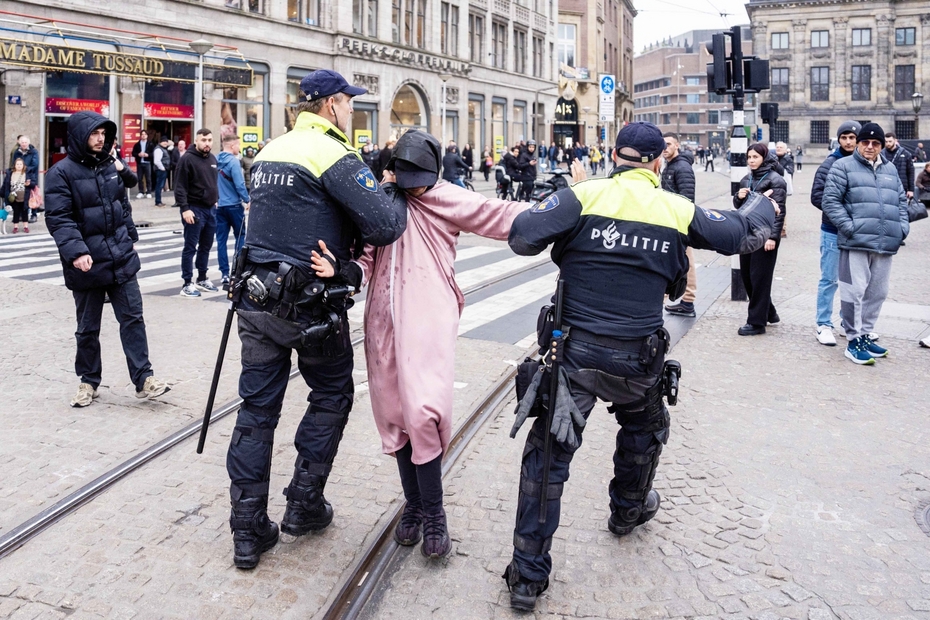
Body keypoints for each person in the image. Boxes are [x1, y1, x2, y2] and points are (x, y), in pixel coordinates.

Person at [501, 122, 778, 611]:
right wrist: (763, 201)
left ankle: (527, 577)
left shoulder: (583, 196)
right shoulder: (674, 208)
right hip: (637, 358)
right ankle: (627, 511)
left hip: (574, 357)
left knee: (548, 459)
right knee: (644, 432)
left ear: (614, 156)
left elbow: (522, 236)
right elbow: (740, 234)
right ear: (657, 164)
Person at [223, 69, 407, 570]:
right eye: (349, 102)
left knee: (256, 410)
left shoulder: (269, 152)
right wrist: (389, 187)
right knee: (331, 394)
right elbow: (387, 225)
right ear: (330, 105)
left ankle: (247, 530)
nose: (352, 110)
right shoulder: (332, 153)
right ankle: (304, 503)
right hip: (311, 308)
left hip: (256, 302)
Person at [313, 130, 527, 560]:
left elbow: (502, 215)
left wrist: (570, 206)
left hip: (427, 317)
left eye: (421, 179)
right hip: (382, 321)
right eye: (407, 178)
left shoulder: (450, 198)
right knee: (393, 416)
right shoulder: (382, 200)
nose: (416, 188)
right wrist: (342, 270)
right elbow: (366, 257)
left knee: (424, 412)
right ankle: (413, 505)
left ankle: (434, 515)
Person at [44, 111, 170, 407]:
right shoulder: (60, 173)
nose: (100, 139)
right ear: (79, 136)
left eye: (103, 133)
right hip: (86, 263)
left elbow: (122, 207)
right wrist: (77, 252)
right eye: (94, 133)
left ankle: (143, 379)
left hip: (120, 257)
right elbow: (60, 219)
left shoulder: (110, 166)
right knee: (87, 328)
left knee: (133, 319)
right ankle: (88, 381)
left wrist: (132, 241)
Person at [822, 123, 908, 365]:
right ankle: (852, 340)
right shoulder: (843, 166)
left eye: (876, 143)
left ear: (881, 145)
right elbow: (830, 201)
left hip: (885, 243)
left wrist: (902, 229)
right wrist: (850, 228)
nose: (870, 147)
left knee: (877, 292)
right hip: (855, 243)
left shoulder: (890, 169)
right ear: (859, 143)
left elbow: (901, 201)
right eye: (866, 142)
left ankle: (865, 334)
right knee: (854, 292)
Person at [810, 120, 861, 346]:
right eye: (844, 137)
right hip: (832, 230)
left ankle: (845, 322)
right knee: (829, 279)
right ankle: (823, 323)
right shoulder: (830, 163)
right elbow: (817, 195)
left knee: (853, 281)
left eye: (852, 137)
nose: (848, 141)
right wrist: (842, 213)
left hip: (858, 232)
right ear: (839, 140)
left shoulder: (866, 163)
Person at [733, 143, 788, 335]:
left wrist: (772, 237)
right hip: (747, 233)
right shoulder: (746, 179)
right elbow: (741, 207)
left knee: (760, 279)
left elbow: (779, 212)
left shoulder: (776, 180)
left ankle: (756, 322)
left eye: (755, 157)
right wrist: (738, 197)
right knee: (747, 276)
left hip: (766, 235)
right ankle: (769, 312)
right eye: (749, 157)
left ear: (764, 158)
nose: (751, 161)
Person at [175, 128, 219, 298]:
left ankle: (202, 278)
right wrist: (185, 209)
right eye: (203, 140)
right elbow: (179, 187)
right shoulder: (187, 159)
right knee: (190, 247)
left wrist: (216, 199)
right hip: (194, 209)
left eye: (209, 140)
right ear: (196, 140)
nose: (207, 143)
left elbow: (212, 182)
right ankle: (187, 283)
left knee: (206, 246)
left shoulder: (212, 159)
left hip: (210, 209)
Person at [660, 133, 697, 318]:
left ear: (677, 145)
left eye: (668, 144)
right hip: (670, 220)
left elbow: (687, 198)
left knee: (687, 260)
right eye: (662, 145)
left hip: (679, 223)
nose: (664, 148)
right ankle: (678, 299)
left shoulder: (681, 167)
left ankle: (688, 301)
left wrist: (680, 223)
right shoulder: (669, 166)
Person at [216, 133, 250, 289]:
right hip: (235, 206)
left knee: (221, 241)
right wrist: (248, 199)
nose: (239, 147)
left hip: (220, 206)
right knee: (241, 237)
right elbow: (239, 184)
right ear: (231, 146)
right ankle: (236, 271)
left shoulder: (216, 161)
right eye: (238, 145)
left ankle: (224, 273)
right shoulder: (234, 163)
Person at [9, 135, 39, 223]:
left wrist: (24, 170)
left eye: (25, 142)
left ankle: (34, 214)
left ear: (28, 143)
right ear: (19, 143)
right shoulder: (16, 152)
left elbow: (35, 164)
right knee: (21, 195)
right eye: (22, 142)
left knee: (32, 196)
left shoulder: (33, 152)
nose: (24, 144)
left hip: (31, 176)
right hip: (19, 177)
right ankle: (21, 215)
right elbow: (14, 164)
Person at [882, 132, 915, 201]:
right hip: (885, 187)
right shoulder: (881, 154)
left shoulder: (906, 154)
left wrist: (911, 190)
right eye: (886, 141)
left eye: (890, 141)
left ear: (895, 140)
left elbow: (910, 172)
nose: (888, 143)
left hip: (902, 188)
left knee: (901, 209)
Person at [1, 158, 30, 233]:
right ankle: (15, 227)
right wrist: (2, 192)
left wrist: (29, 184)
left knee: (25, 211)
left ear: (23, 165)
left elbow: (33, 183)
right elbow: (6, 184)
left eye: (21, 164)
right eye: (17, 164)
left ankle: (26, 226)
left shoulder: (27, 173)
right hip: (14, 196)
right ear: (14, 165)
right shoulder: (10, 173)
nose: (19, 166)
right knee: (16, 212)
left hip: (24, 196)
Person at [131, 129, 154, 198]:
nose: (143, 136)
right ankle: (141, 191)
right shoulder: (137, 144)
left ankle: (148, 191)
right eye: (142, 134)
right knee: (140, 178)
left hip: (147, 163)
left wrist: (148, 155)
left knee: (148, 178)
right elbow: (133, 153)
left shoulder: (150, 144)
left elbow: (153, 153)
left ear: (147, 136)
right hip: (140, 163)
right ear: (140, 136)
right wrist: (138, 154)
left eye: (145, 134)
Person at [152, 136, 171, 207]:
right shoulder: (158, 149)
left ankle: (159, 201)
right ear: (160, 142)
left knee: (160, 186)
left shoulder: (162, 148)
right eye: (164, 141)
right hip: (160, 170)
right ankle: (158, 201)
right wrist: (162, 168)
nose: (165, 143)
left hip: (162, 169)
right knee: (159, 186)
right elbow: (157, 161)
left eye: (166, 141)